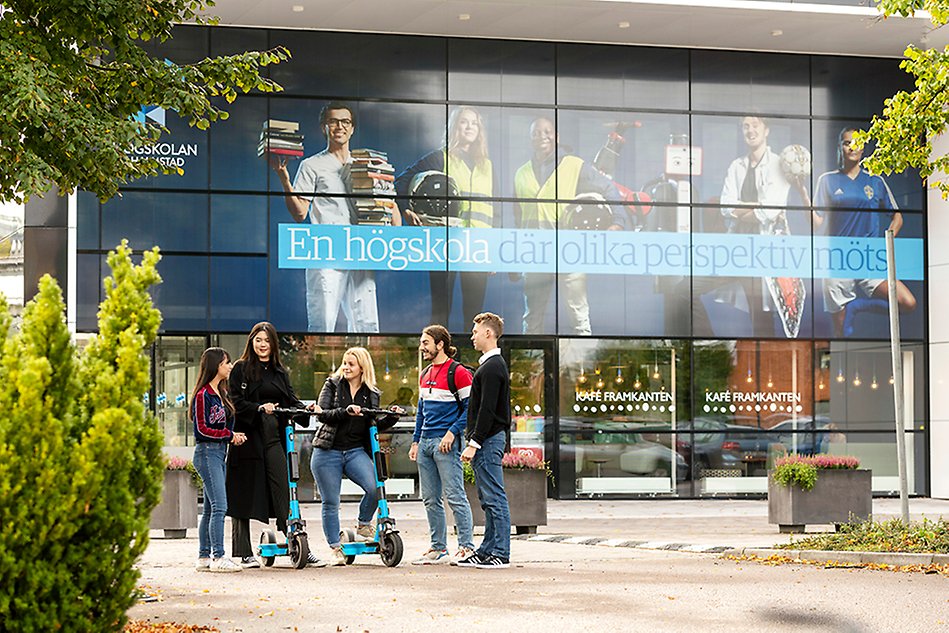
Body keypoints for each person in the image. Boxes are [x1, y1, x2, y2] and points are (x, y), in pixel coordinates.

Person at [271, 101, 399, 333]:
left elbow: (392, 215)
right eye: (333, 121)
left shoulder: (366, 165)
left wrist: (386, 189)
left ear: (352, 129)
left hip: (360, 249)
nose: (339, 126)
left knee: (367, 323)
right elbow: (300, 213)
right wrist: (284, 178)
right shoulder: (312, 165)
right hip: (326, 251)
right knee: (323, 321)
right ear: (324, 127)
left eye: (345, 122)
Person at [514, 116, 625, 336]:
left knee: (579, 317)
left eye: (547, 131)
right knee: (532, 318)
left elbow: (609, 188)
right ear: (530, 140)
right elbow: (518, 217)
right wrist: (516, 259)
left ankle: (581, 367)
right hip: (535, 254)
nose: (542, 136)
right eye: (536, 133)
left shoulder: (574, 165)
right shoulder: (521, 173)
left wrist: (618, 222)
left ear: (556, 137)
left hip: (569, 251)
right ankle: (529, 368)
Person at [226, 322, 319, 568]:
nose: (262, 345)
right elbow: (235, 401)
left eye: (266, 340)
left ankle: (297, 543)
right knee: (243, 495)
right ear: (251, 342)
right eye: (258, 340)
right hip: (247, 439)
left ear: (273, 344)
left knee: (285, 489)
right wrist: (259, 408)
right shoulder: (240, 369)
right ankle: (243, 553)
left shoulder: (279, 371)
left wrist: (306, 409)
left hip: (273, 439)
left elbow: (290, 399)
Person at [395, 106, 496, 328]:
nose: (469, 127)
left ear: (480, 130)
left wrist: (492, 252)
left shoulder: (486, 165)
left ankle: (471, 361)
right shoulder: (441, 158)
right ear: (454, 126)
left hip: (477, 248)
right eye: (464, 122)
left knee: (475, 314)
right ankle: (442, 361)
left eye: (474, 123)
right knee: (441, 311)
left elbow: (494, 209)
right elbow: (402, 181)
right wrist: (406, 209)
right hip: (446, 244)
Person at [814, 127, 917, 337]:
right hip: (838, 259)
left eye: (857, 142)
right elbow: (817, 223)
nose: (852, 146)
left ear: (864, 148)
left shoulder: (875, 181)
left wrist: (885, 242)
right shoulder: (827, 180)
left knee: (908, 303)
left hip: (867, 258)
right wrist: (802, 195)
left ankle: (858, 306)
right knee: (841, 331)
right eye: (847, 142)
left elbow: (897, 217)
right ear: (840, 147)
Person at [713, 115, 808, 337]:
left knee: (766, 313)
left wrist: (743, 210)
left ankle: (769, 365)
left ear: (766, 130)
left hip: (768, 250)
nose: (750, 130)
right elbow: (725, 207)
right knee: (756, 312)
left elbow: (769, 211)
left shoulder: (779, 164)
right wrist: (755, 208)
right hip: (739, 251)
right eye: (745, 126)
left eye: (755, 125)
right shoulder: (737, 166)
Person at [312, 347, 403, 566]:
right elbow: (322, 414)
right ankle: (335, 548)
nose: (346, 367)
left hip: (354, 451)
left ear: (362, 367)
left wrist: (392, 417)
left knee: (375, 487)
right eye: (345, 362)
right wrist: (346, 411)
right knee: (331, 502)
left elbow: (373, 423)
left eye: (351, 364)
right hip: (327, 451)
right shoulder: (332, 385)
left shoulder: (371, 393)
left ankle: (363, 523)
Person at [408, 325, 476, 565]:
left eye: (426, 342)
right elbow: (421, 411)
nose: (421, 347)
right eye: (421, 342)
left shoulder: (458, 373)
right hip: (425, 443)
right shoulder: (425, 373)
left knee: (455, 495)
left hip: (446, 443)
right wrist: (415, 441)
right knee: (430, 498)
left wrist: (451, 433)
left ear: (440, 345)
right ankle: (438, 548)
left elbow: (470, 410)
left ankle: (467, 547)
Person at [458, 312, 512, 569]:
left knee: (494, 497)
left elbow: (487, 410)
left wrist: (474, 442)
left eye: (476, 331)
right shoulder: (490, 366)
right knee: (487, 497)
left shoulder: (492, 367)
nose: (472, 336)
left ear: (488, 333)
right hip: (488, 440)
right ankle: (487, 549)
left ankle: (500, 553)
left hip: (489, 441)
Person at [191, 347, 247, 573]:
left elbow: (225, 426)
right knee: (220, 507)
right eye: (226, 363)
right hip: (206, 453)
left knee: (209, 508)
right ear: (216, 366)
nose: (230, 366)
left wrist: (234, 436)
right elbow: (201, 430)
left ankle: (204, 557)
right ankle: (218, 556)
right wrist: (229, 436)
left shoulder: (222, 393)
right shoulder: (203, 395)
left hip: (219, 452)